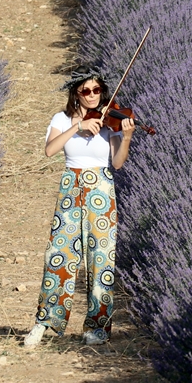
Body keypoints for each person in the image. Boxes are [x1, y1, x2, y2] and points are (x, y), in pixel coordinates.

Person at [23, 69, 134, 347]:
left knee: (101, 260)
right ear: (76, 94)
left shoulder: (109, 124)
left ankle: (97, 327)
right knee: (59, 254)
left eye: (97, 90)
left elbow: (118, 163)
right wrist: (78, 127)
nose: (93, 96)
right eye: (87, 91)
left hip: (101, 191)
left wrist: (127, 137)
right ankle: (45, 322)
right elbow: (50, 150)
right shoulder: (61, 119)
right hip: (71, 188)